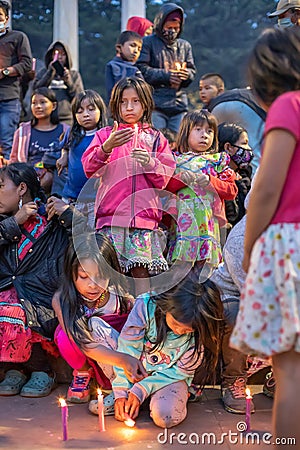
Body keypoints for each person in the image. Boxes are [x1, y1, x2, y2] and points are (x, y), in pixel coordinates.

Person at [230, 27, 300, 447]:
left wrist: (252, 246)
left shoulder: (288, 107)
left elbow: (267, 189)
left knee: (290, 370)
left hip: (289, 244)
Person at [82, 76, 176, 295]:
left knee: (140, 271)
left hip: (144, 218)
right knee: (110, 272)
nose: (129, 107)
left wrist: (150, 162)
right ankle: (116, 317)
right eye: (123, 102)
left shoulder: (155, 138)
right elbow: (89, 169)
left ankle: (143, 320)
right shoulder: (105, 135)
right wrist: (106, 148)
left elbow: (165, 179)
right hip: (111, 216)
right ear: (116, 105)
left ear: (145, 104)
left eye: (135, 101)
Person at [0, 163, 87, 398]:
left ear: (21, 189)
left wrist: (69, 213)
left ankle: (41, 370)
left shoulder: (50, 217)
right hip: (9, 290)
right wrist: (13, 222)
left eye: (1, 186)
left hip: (42, 294)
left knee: (15, 308)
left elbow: (86, 242)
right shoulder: (4, 221)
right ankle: (14, 368)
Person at [89, 277, 224, 427]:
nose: (179, 331)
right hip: (133, 370)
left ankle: (160, 397)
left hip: (166, 380)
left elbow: (177, 372)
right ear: (167, 307)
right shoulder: (146, 305)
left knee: (165, 417)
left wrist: (141, 390)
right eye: (175, 324)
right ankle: (126, 395)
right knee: (94, 329)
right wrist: (121, 390)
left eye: (187, 330)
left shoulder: (200, 334)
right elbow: (127, 348)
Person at [52, 232, 147, 404]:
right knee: (64, 336)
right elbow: (84, 344)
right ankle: (82, 373)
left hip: (119, 355)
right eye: (84, 276)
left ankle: (121, 387)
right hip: (98, 354)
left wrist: (128, 359)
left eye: (101, 276)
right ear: (70, 272)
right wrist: (124, 360)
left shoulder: (122, 295)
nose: (92, 285)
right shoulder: (62, 300)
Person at [166, 110, 237, 275]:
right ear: (185, 132)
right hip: (181, 225)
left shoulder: (217, 161)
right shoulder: (175, 160)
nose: (204, 135)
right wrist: (181, 179)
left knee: (205, 271)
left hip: (208, 223)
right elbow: (164, 187)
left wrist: (211, 182)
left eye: (209, 131)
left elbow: (231, 190)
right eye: (198, 129)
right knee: (181, 271)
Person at [137, 3, 196, 132]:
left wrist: (186, 75)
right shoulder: (148, 42)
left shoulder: (185, 46)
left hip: (179, 104)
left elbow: (192, 71)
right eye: (169, 27)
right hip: (156, 104)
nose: (173, 31)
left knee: (180, 144)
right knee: (156, 143)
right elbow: (142, 69)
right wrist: (167, 75)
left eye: (176, 28)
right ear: (160, 24)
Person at [56, 89, 107, 226]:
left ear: (101, 110)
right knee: (70, 229)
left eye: (91, 109)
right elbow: (65, 146)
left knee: (89, 231)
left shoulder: (105, 135)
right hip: (72, 194)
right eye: (80, 111)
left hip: (95, 197)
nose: (86, 114)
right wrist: (64, 156)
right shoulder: (72, 133)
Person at [9, 87, 70, 195]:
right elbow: (14, 160)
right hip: (28, 175)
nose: (38, 106)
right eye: (34, 103)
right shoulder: (22, 131)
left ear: (54, 105)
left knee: (50, 175)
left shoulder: (65, 131)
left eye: (43, 102)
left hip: (56, 176)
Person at [0, 0, 32, 161]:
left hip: (9, 97)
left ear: (6, 18)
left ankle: (6, 182)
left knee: (7, 142)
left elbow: (27, 63)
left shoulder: (17, 37)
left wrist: (6, 71)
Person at [208, 87, 266, 172]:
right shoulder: (265, 97)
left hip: (216, 106)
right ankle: (254, 182)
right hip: (246, 106)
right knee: (254, 153)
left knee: (217, 148)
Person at [33, 41, 84, 126]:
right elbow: (36, 91)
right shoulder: (43, 73)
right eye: (56, 54)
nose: (59, 57)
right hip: (45, 118)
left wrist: (68, 81)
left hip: (66, 118)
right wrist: (49, 73)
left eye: (63, 54)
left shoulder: (74, 75)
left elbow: (79, 98)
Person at [218, 122, 253, 229]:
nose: (249, 149)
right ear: (228, 147)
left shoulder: (244, 174)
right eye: (244, 143)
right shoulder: (217, 177)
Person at [105, 31, 143, 104]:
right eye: (132, 45)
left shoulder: (138, 68)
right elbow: (110, 93)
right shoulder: (112, 66)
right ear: (119, 48)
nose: (136, 51)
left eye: (139, 49)